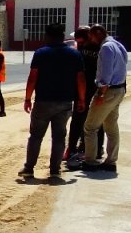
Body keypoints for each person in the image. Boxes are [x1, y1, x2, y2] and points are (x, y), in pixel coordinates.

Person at [18, 23, 85, 179]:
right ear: (62, 37)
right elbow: (80, 79)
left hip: (43, 102)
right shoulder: (74, 55)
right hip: (65, 103)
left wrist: (28, 98)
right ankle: (55, 171)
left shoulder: (41, 53)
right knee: (59, 137)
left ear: (47, 36)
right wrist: (81, 99)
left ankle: (29, 168)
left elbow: (33, 77)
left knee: (35, 136)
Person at [83, 25, 129, 173]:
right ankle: (111, 162)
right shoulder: (118, 45)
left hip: (108, 91)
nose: (91, 40)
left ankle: (90, 161)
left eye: (91, 37)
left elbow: (106, 73)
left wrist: (101, 94)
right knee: (111, 126)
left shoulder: (106, 48)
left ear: (98, 33)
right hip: (119, 89)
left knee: (90, 127)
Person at [65, 26, 103, 170]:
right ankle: (73, 148)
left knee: (95, 122)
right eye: (78, 42)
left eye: (82, 41)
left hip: (94, 89)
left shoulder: (100, 48)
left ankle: (95, 150)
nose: (80, 44)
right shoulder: (80, 48)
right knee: (78, 120)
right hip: (81, 90)